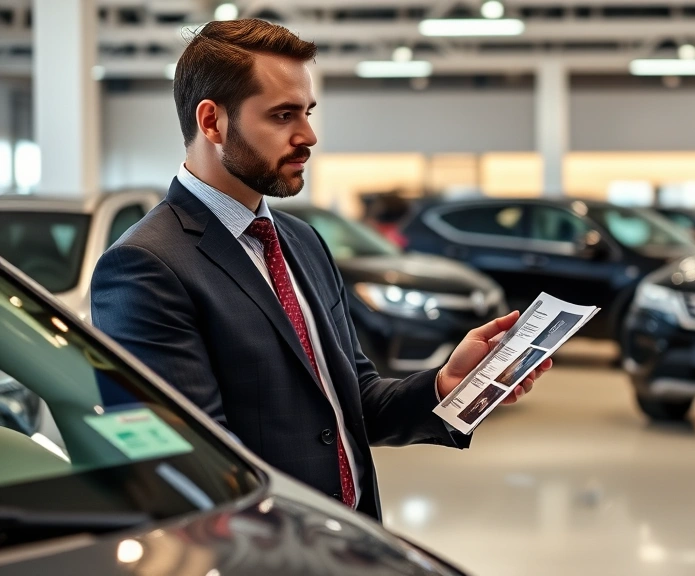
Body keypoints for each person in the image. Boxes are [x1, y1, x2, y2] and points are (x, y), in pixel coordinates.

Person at [90, 18, 551, 521]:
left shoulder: (302, 242)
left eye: (307, 112)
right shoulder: (145, 266)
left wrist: (449, 385)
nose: (308, 135)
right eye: (283, 115)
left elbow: (355, 402)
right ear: (212, 122)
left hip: (353, 539)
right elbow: (194, 467)